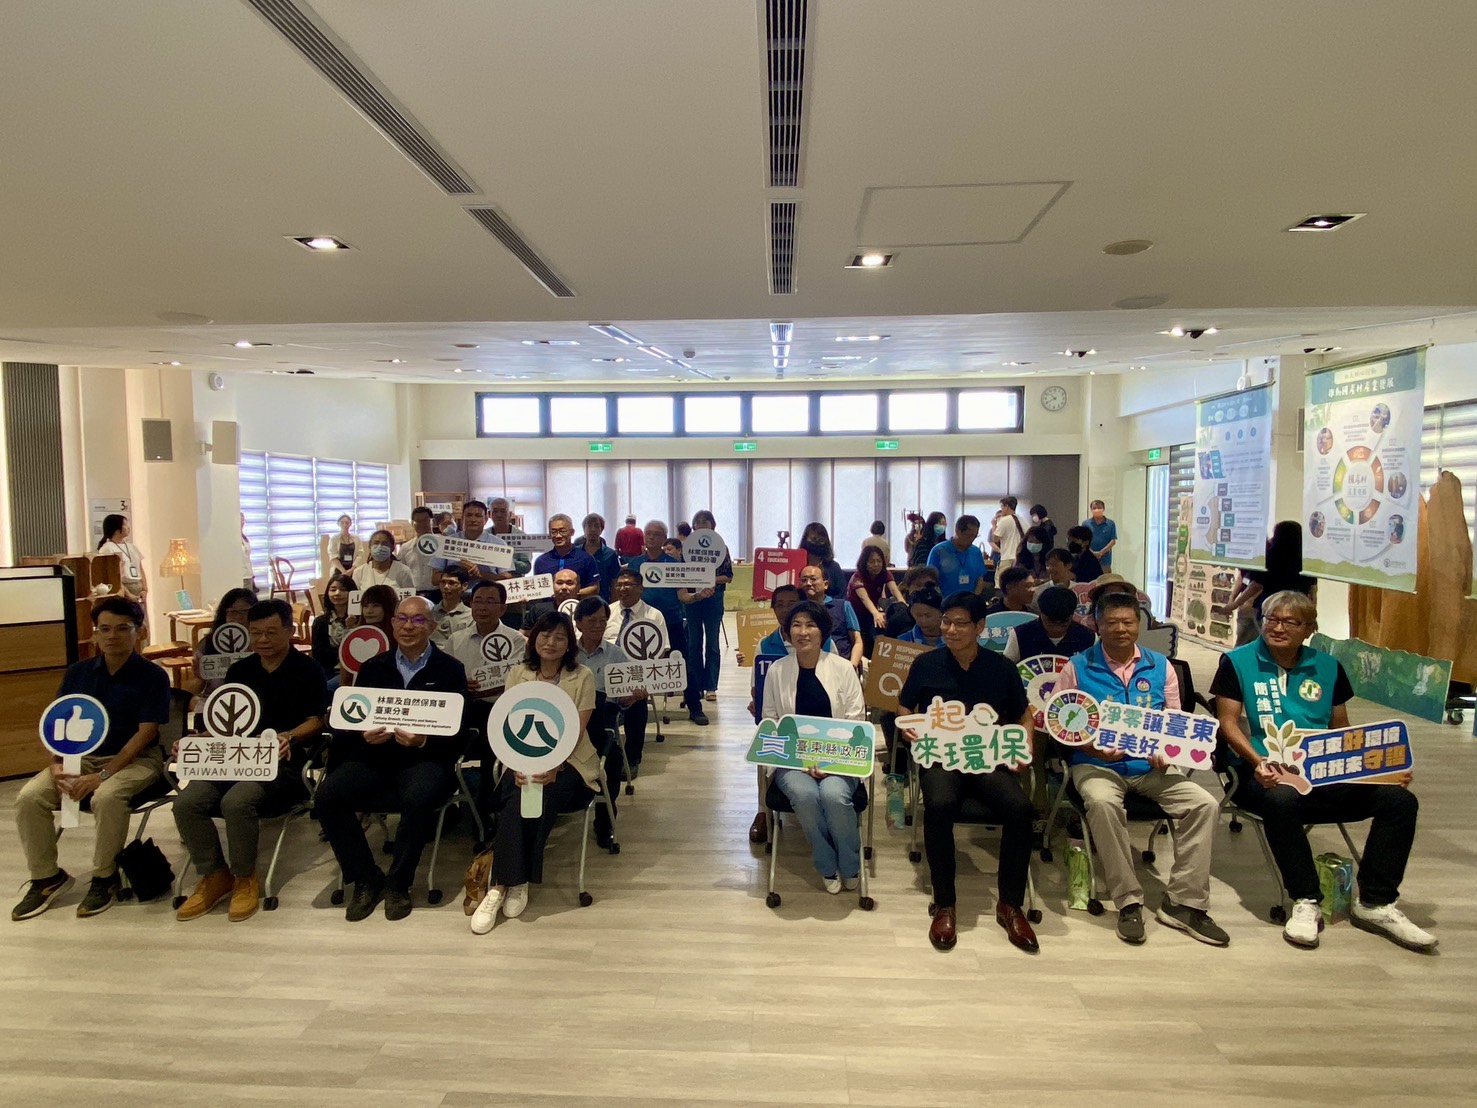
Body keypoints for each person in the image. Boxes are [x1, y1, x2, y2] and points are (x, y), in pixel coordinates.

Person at [1211, 590, 1434, 952]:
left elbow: (1342, 732)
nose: (1277, 627)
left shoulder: (1328, 667)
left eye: (1290, 622)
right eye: (1271, 619)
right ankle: (1305, 899)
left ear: (1309, 628)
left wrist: (1380, 772)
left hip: (1321, 772)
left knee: (1399, 800)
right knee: (1281, 799)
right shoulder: (1237, 662)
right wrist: (1258, 762)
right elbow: (1228, 723)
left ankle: (1375, 902)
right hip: (1261, 773)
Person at [1055, 592, 1227, 947]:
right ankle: (1128, 901)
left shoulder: (1160, 666)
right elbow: (1060, 723)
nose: (1120, 629)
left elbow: (1175, 721)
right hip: (1096, 764)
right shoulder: (1077, 667)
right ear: (1096, 624)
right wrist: (1091, 748)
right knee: (1103, 803)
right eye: (1111, 622)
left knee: (1205, 804)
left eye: (1128, 622)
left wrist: (1167, 750)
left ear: (1139, 624)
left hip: (1151, 767)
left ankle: (1185, 903)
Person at [897, 591, 1039, 954]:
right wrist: (909, 727)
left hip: (987, 758)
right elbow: (904, 705)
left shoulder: (1001, 667)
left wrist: (1024, 745)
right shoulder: (927, 664)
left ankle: (1010, 904)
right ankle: (945, 903)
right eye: (946, 622)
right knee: (940, 803)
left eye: (960, 623)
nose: (950, 630)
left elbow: (1024, 716)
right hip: (942, 758)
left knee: (1020, 808)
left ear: (979, 627)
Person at [12, 598, 171, 920]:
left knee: (107, 796)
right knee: (29, 797)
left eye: (122, 629)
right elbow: (58, 723)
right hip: (80, 757)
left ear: (138, 632)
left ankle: (104, 876)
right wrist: (56, 764)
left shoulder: (153, 675)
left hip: (137, 759)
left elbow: (146, 733)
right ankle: (46, 877)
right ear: (95, 633)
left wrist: (103, 775)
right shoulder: (79, 673)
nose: (112, 636)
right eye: (104, 629)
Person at [172, 599, 327, 922]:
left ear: (289, 630)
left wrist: (289, 736)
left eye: (271, 632)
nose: (263, 640)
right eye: (256, 633)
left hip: (282, 763)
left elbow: (316, 721)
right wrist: (198, 740)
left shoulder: (307, 669)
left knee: (237, 801)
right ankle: (214, 873)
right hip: (233, 758)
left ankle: (244, 877)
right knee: (186, 802)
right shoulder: (240, 671)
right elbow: (225, 722)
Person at [315, 596, 469, 922]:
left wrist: (423, 739)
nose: (408, 626)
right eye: (402, 619)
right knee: (327, 795)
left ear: (432, 626)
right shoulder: (373, 667)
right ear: (393, 623)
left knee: (419, 796)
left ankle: (399, 883)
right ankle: (365, 877)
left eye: (418, 620)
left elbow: (458, 731)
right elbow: (353, 721)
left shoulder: (450, 670)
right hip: (376, 755)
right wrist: (363, 735)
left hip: (425, 758)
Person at [470, 612, 599, 934]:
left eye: (559, 637)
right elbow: (508, 723)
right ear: (534, 639)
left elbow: (577, 729)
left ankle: (502, 883)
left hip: (570, 762)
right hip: (521, 757)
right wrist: (518, 765)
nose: (550, 642)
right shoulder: (518, 673)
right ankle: (512, 883)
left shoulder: (582, 676)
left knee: (542, 791)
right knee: (522, 791)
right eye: (545, 635)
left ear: (569, 644)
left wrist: (554, 765)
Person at [760, 601, 868, 894]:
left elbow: (856, 721)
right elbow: (770, 721)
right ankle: (826, 863)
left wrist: (828, 761)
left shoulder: (843, 668)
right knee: (805, 795)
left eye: (810, 625)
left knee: (834, 795)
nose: (803, 632)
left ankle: (850, 864)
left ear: (823, 632)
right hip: (792, 761)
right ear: (788, 631)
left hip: (840, 759)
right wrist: (800, 760)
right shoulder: (777, 671)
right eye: (796, 625)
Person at [574, 597, 647, 836]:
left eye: (602, 621)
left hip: (603, 717)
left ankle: (605, 820)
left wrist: (632, 697)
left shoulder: (616, 655)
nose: (598, 625)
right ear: (578, 622)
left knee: (611, 760)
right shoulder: (567, 653)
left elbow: (622, 700)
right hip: (570, 715)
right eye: (591, 620)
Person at [627, 521, 705, 725]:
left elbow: (682, 596)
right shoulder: (634, 564)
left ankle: (695, 707)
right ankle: (631, 707)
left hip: (671, 622)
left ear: (664, 538)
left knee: (682, 664)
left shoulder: (673, 564)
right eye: (648, 533)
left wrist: (698, 596)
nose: (651, 537)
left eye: (656, 534)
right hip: (640, 624)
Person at [1214, 521, 1318, 628]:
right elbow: (1313, 592)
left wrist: (1233, 605)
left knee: (1269, 636)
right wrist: (1312, 618)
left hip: (1272, 610)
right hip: (1296, 613)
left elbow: (1255, 586)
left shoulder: (1271, 557)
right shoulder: (1307, 561)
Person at [683, 509, 732, 703]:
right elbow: (681, 574)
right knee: (694, 643)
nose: (702, 525)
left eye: (706, 522)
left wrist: (709, 579)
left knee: (712, 644)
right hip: (693, 599)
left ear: (713, 526)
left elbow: (728, 576)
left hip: (714, 598)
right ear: (693, 527)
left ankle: (711, 686)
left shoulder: (722, 548)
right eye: (698, 522)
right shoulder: (687, 548)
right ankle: (696, 686)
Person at [192, 588, 258, 710]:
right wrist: (199, 678)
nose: (238, 617)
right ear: (224, 615)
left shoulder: (263, 643)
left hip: (255, 705)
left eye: (245, 611)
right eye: (232, 612)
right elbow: (194, 688)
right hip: (215, 705)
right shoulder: (208, 644)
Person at [1004, 585, 1094, 663]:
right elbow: (1005, 670)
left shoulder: (1089, 637)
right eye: (1051, 623)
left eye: (1063, 623)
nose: (1057, 629)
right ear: (1040, 612)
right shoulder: (1020, 635)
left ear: (1072, 614)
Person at [799, 565, 862, 671]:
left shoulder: (843, 606)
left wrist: (852, 667)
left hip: (842, 668)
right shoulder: (798, 610)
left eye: (813, 579)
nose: (808, 583)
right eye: (804, 580)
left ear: (825, 584)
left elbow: (857, 641)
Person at [847, 544, 904, 657]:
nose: (876, 564)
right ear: (865, 563)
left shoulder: (885, 573)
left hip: (872, 611)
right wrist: (876, 613)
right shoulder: (857, 577)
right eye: (872, 561)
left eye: (879, 561)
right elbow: (864, 598)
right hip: (856, 613)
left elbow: (894, 590)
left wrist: (904, 604)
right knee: (872, 631)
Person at [431, 500, 506, 586]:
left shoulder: (499, 544)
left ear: (485, 519)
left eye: (478, 516)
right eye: (469, 515)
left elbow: (507, 578)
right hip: (455, 593)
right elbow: (435, 579)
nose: (473, 520)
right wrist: (459, 573)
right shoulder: (446, 543)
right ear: (463, 518)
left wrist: (479, 574)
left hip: (487, 592)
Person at [533, 514, 600, 597]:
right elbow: (537, 591)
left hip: (578, 604)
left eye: (562, 531)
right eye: (554, 532)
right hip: (549, 605)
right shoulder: (541, 561)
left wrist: (570, 593)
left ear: (572, 532)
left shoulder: (586, 558)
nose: (558, 536)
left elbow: (594, 588)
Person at [927, 515, 989, 596]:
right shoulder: (938, 551)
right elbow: (931, 580)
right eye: (969, 535)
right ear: (958, 531)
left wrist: (974, 598)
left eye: (975, 536)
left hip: (969, 600)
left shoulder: (976, 552)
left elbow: (980, 579)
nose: (972, 539)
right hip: (945, 600)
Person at [96, 514, 147, 607]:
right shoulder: (107, 548)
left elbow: (140, 568)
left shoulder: (131, 546)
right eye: (125, 525)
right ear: (116, 529)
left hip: (139, 589)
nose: (128, 527)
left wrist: (145, 589)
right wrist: (128, 594)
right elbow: (112, 577)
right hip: (123, 589)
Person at [312, 576, 354, 687]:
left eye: (343, 589)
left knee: (329, 688)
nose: (337, 593)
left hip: (352, 671)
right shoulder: (321, 621)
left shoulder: (360, 619)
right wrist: (340, 654)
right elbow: (318, 652)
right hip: (328, 670)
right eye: (333, 589)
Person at [886, 565, 942, 638]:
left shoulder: (946, 619)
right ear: (908, 587)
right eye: (918, 585)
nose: (923, 589)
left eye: (928, 586)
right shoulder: (897, 621)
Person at [580, 513, 625, 603]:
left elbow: (614, 582)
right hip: (579, 601)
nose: (593, 529)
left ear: (601, 530)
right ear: (584, 529)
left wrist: (614, 605)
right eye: (589, 526)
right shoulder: (577, 553)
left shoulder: (611, 554)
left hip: (603, 601)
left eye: (596, 526)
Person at [799, 522, 847, 598]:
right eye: (813, 539)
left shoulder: (833, 567)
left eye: (820, 539)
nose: (816, 542)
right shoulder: (798, 564)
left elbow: (842, 594)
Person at [396, 506, 438, 593]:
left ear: (432, 521)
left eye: (425, 520)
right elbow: (400, 571)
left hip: (438, 592)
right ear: (412, 524)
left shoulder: (442, 544)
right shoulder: (405, 547)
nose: (422, 524)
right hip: (414, 593)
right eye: (418, 521)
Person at [487, 498, 532, 579]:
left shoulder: (521, 536)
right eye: (495, 511)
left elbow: (526, 567)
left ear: (510, 514)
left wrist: (504, 560)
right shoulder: (484, 535)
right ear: (489, 514)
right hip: (489, 581)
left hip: (514, 581)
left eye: (503, 511)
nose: (499, 515)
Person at [429, 566, 474, 645]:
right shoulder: (429, 613)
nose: (446, 587)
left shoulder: (471, 616)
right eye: (443, 582)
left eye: (451, 583)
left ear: (464, 586)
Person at [990, 496, 1027, 574]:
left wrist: (994, 526)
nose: (1001, 509)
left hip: (1007, 557)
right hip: (1020, 558)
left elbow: (995, 539)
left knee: (1001, 579)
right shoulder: (1023, 521)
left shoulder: (1004, 520)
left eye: (1002, 506)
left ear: (1006, 507)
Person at [1082, 500, 1118, 570]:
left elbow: (1113, 541)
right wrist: (1092, 553)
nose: (1097, 510)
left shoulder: (1110, 523)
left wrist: (1101, 553)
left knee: (1105, 576)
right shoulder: (1085, 524)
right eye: (1094, 508)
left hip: (1105, 560)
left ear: (1103, 509)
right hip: (1089, 559)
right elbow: (1082, 541)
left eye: (1099, 508)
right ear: (1091, 510)